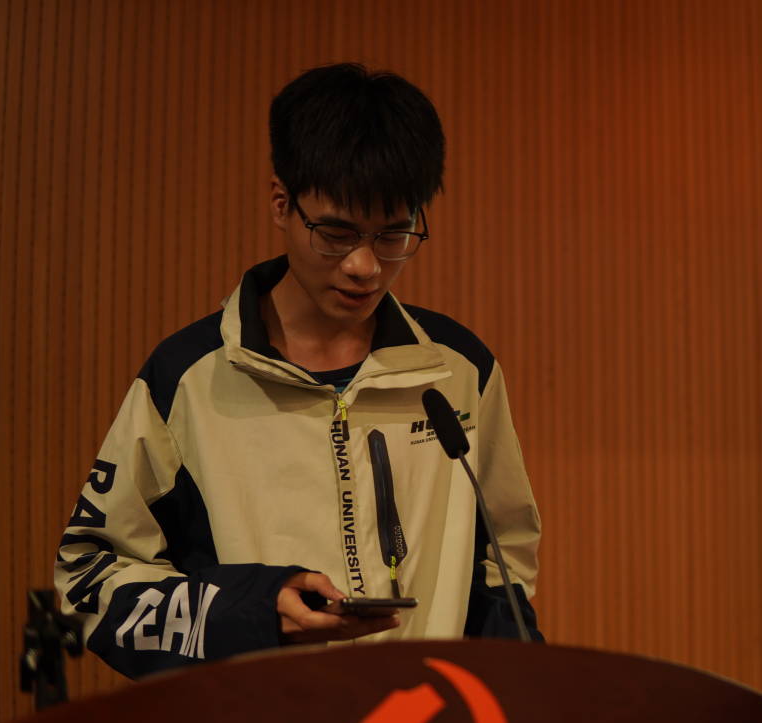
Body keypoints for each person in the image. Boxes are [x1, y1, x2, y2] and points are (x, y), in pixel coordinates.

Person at [54, 63, 543, 679]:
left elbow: (502, 563)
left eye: (393, 234)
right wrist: (253, 612)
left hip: (418, 719)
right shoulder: (189, 379)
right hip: (257, 717)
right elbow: (88, 579)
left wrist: (509, 693)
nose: (365, 265)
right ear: (281, 203)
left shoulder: (458, 370)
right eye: (336, 232)